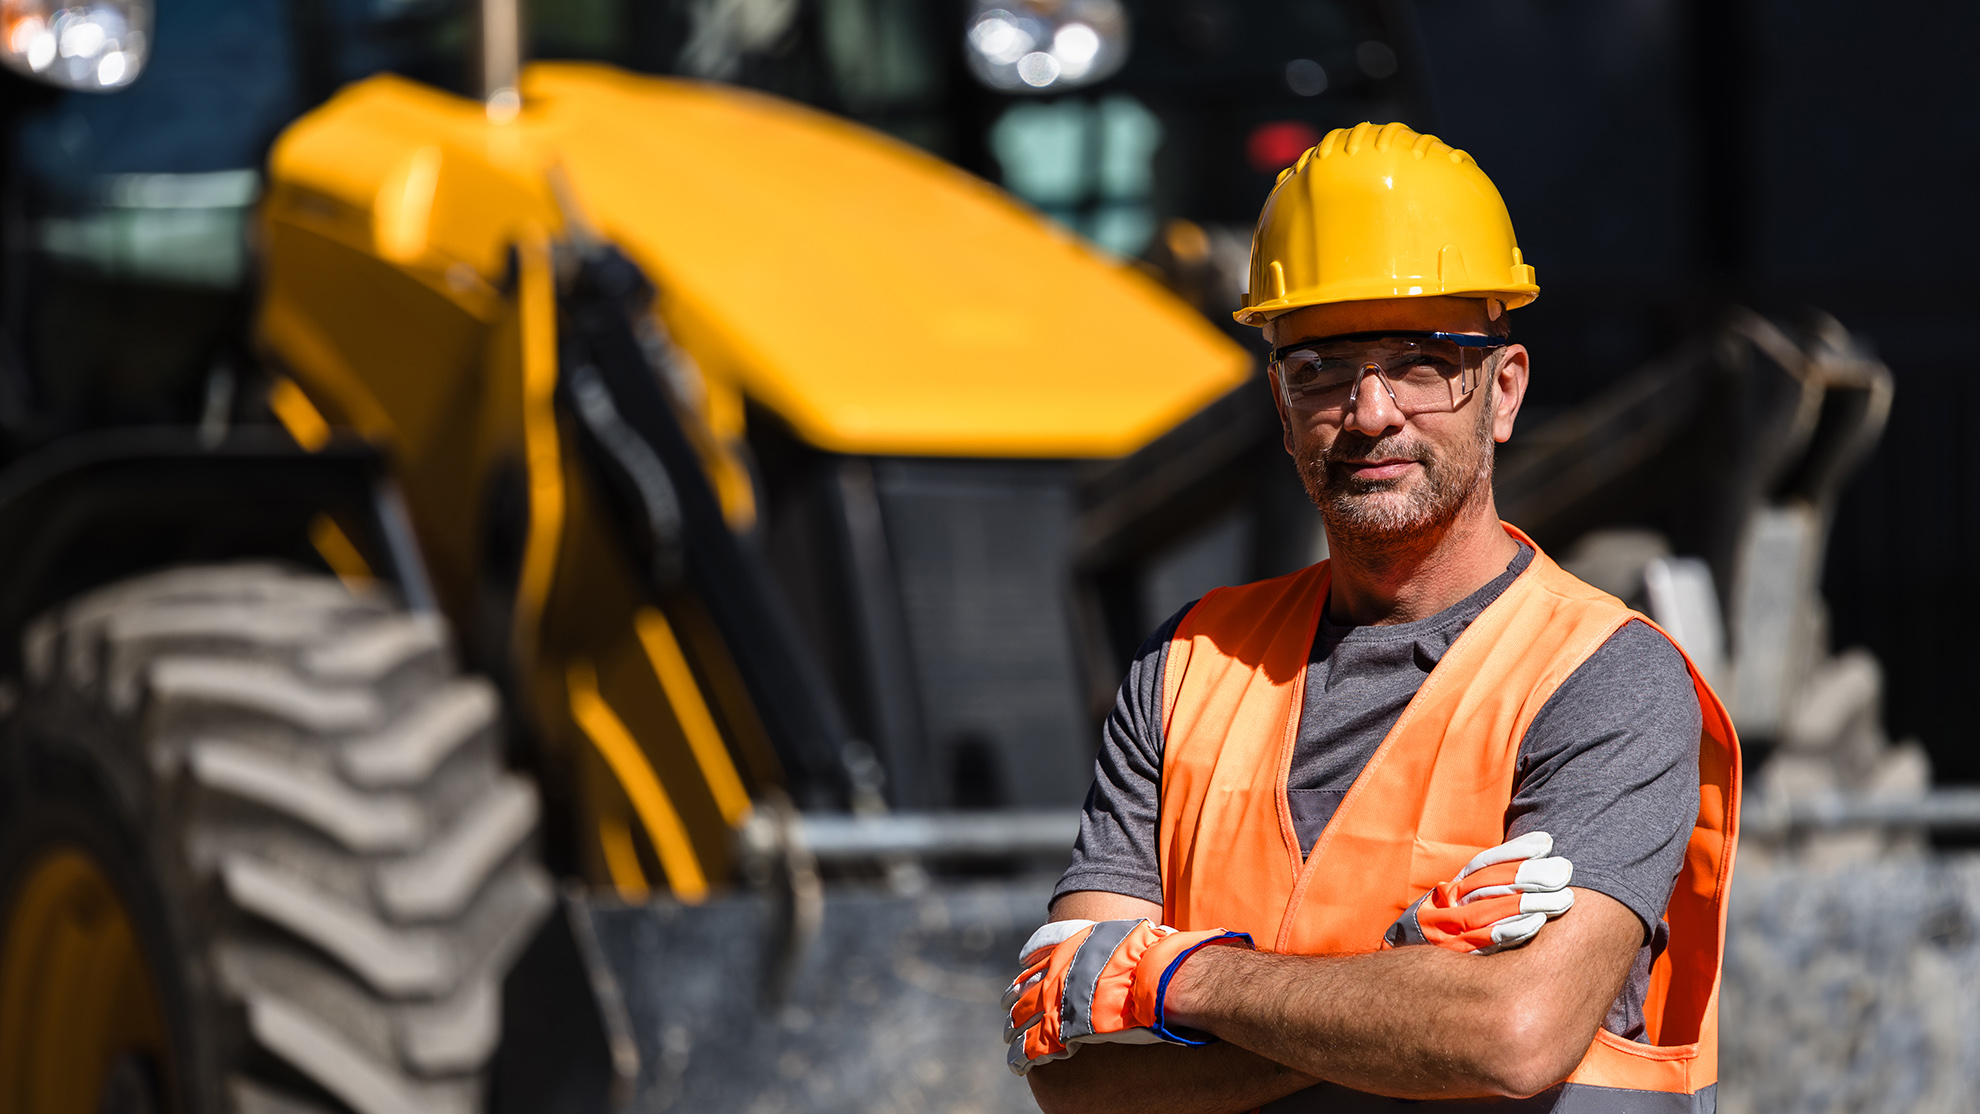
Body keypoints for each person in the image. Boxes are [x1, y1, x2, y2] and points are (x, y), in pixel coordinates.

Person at [1003, 121, 1739, 1113]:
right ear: (1278, 399)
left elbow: (1513, 1035)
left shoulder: (1606, 676)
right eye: (1322, 367)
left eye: (1424, 361)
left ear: (1504, 390)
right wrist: (1405, 985)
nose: (1372, 409)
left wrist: (1183, 980)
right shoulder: (1185, 668)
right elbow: (1077, 1075)